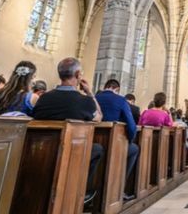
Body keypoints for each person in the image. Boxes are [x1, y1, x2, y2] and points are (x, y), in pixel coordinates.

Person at [33, 57, 103, 205]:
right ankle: (82, 191)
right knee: (97, 149)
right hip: (70, 153)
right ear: (78, 75)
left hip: (40, 152)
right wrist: (90, 93)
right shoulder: (84, 101)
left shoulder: (44, 98)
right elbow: (99, 117)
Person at [95, 79, 139, 201]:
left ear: (105, 87)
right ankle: (119, 189)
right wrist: (129, 140)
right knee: (134, 149)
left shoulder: (94, 97)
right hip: (114, 144)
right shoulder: (120, 100)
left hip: (93, 144)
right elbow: (131, 126)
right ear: (117, 89)